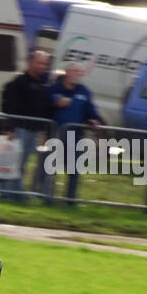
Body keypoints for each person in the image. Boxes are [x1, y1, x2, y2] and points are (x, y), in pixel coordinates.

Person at [0, 50, 53, 202]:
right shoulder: (19, 82)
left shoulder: (42, 84)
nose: (43, 66)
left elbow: (42, 109)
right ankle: (6, 193)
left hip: (34, 130)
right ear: (31, 62)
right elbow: (9, 105)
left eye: (45, 64)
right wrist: (10, 128)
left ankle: (16, 193)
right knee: (14, 162)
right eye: (40, 63)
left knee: (22, 164)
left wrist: (42, 130)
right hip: (20, 129)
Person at [46, 61, 103, 204]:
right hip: (55, 135)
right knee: (50, 169)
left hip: (75, 137)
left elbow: (90, 110)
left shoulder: (84, 91)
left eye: (80, 72)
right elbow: (44, 106)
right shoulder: (53, 88)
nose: (78, 75)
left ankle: (70, 200)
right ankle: (47, 198)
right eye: (75, 71)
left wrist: (94, 119)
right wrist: (54, 104)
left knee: (74, 170)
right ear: (67, 72)